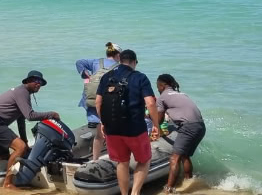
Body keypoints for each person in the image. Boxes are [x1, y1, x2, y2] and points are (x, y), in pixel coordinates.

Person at [0, 70, 60, 188]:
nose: (38, 84)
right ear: (28, 81)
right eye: (36, 81)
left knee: (2, 158)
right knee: (20, 148)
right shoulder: (22, 92)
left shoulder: (23, 94)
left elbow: (21, 120)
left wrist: (24, 140)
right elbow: (30, 116)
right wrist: (51, 114)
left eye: (40, 82)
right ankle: (8, 183)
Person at [96, 49, 160, 195]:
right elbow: (150, 103)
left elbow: (98, 102)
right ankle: (135, 193)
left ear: (120, 60)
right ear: (134, 62)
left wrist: (103, 122)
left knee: (122, 162)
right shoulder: (140, 77)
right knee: (144, 160)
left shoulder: (106, 77)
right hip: (135, 129)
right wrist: (155, 124)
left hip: (112, 129)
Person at [155, 74, 206, 194]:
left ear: (162, 86)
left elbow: (160, 119)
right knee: (184, 155)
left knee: (174, 158)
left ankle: (169, 189)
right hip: (200, 126)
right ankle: (188, 180)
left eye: (158, 86)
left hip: (188, 127)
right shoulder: (182, 94)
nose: (157, 88)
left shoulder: (162, 97)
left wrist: (154, 129)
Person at [75, 42, 122, 160]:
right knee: (112, 133)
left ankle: (95, 159)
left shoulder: (96, 62)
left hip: (91, 102)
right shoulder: (118, 68)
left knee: (98, 135)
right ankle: (115, 157)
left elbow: (79, 62)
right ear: (118, 55)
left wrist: (86, 75)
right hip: (107, 105)